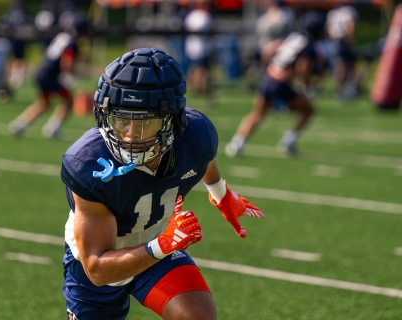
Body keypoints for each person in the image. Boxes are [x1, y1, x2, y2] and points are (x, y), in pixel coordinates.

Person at [60, 47, 264, 319]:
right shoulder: (89, 162)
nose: (131, 135)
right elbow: (97, 269)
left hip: (157, 249)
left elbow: (204, 158)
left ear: (172, 121)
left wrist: (221, 194)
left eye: (146, 123)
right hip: (101, 265)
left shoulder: (195, 135)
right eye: (121, 120)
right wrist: (163, 245)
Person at [225, 11, 326, 157]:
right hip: (281, 84)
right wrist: (306, 85)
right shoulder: (307, 45)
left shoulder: (293, 37)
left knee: (258, 114)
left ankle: (236, 144)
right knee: (309, 109)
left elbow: (270, 50)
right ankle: (289, 141)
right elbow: (302, 67)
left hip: (269, 78)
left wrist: (270, 67)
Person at [8, 12, 88, 138]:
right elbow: (67, 61)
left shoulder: (62, 36)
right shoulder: (72, 42)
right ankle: (53, 128)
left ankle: (20, 124)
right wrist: (69, 75)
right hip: (50, 76)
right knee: (68, 101)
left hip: (42, 72)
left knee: (44, 103)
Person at [326, 5, 359, 100]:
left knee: (338, 65)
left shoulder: (332, 12)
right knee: (348, 66)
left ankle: (340, 89)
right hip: (343, 40)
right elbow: (350, 25)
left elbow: (327, 28)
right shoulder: (349, 10)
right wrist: (351, 40)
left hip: (334, 41)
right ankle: (348, 89)